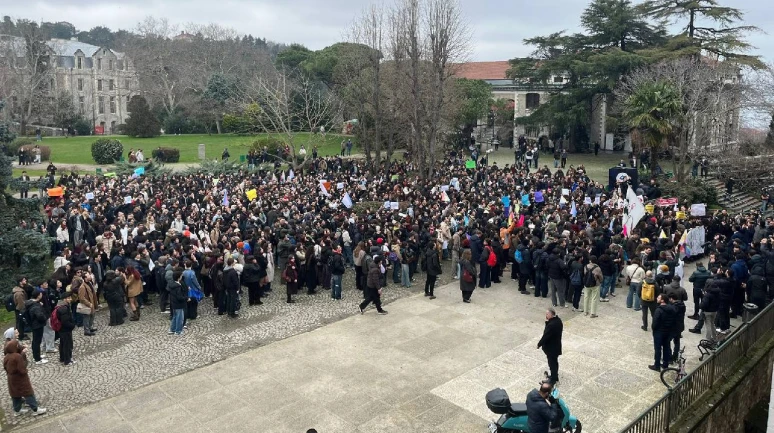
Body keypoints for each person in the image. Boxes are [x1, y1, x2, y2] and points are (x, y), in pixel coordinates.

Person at [3, 340, 47, 416]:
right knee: (28, 393)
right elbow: (22, 369)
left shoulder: (7, 356)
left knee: (15, 394)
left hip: (11, 379)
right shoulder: (17, 357)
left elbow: (5, 367)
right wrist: (23, 355)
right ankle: (35, 409)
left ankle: (17, 410)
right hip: (20, 379)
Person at [649, 294, 675, 371]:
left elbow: (655, 322)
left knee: (657, 349)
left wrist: (654, 329)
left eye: (659, 298)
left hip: (659, 332)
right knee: (666, 348)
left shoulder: (659, 310)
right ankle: (665, 364)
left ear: (662, 300)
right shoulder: (672, 309)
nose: (657, 298)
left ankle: (657, 365)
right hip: (668, 332)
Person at [537, 307, 563, 384]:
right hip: (556, 346)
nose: (546, 315)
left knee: (552, 363)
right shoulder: (558, 321)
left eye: (547, 314)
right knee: (555, 362)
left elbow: (546, 335)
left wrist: (539, 344)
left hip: (551, 348)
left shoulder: (551, 325)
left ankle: (553, 379)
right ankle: (555, 376)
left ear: (551, 315)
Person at [23, 289, 48, 365]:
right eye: (40, 294)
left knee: (35, 341)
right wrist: (45, 318)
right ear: (38, 296)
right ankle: (37, 359)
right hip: (37, 325)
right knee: (37, 342)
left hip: (33, 324)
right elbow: (40, 316)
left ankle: (36, 355)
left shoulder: (30, 303)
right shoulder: (36, 306)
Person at [56, 290, 76, 365]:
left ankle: (62, 358)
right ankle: (67, 360)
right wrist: (72, 325)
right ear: (65, 299)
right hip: (65, 329)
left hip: (61, 329)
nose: (70, 299)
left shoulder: (60, 306)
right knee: (67, 344)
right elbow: (65, 321)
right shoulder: (63, 308)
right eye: (69, 298)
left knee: (63, 343)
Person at [168, 269, 187, 335]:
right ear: (179, 277)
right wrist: (186, 298)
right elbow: (180, 297)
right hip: (179, 304)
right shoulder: (178, 287)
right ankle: (178, 331)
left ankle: (172, 329)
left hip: (174, 304)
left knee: (175, 317)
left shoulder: (172, 285)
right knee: (179, 318)